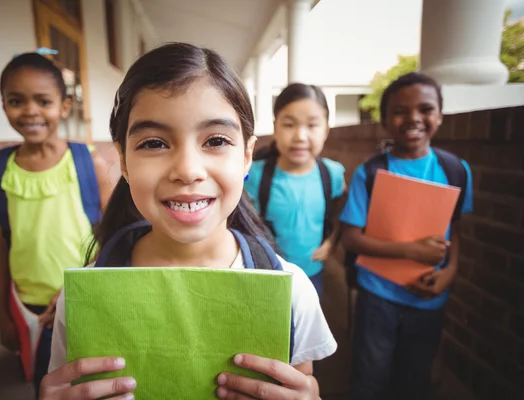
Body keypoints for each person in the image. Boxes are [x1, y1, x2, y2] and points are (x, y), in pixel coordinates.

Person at [39, 42, 337, 400]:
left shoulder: (292, 291)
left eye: (215, 140)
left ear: (246, 156)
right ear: (123, 160)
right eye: (153, 143)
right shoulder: (82, 297)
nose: (187, 170)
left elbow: (302, 383)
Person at [0, 52, 113, 397]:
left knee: (95, 383)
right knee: (46, 384)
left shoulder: (87, 162)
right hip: (29, 310)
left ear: (64, 106)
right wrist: (2, 314)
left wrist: (83, 281)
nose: (30, 111)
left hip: (86, 303)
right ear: (4, 105)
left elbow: (116, 231)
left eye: (43, 101)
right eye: (16, 101)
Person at [340, 72, 473, 400]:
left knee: (415, 378)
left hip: (429, 296)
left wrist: (450, 273)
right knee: (370, 376)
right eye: (400, 111)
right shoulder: (370, 173)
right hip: (377, 296)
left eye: (425, 109)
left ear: (439, 116)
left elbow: (455, 231)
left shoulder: (456, 170)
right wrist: (411, 251)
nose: (413, 118)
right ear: (384, 121)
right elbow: (352, 238)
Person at [244, 83, 345, 299]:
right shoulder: (254, 175)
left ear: (326, 130)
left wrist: (332, 241)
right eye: (289, 124)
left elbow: (340, 212)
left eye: (312, 125)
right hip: (269, 273)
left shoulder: (333, 174)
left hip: (313, 273)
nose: (300, 135)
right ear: (276, 128)